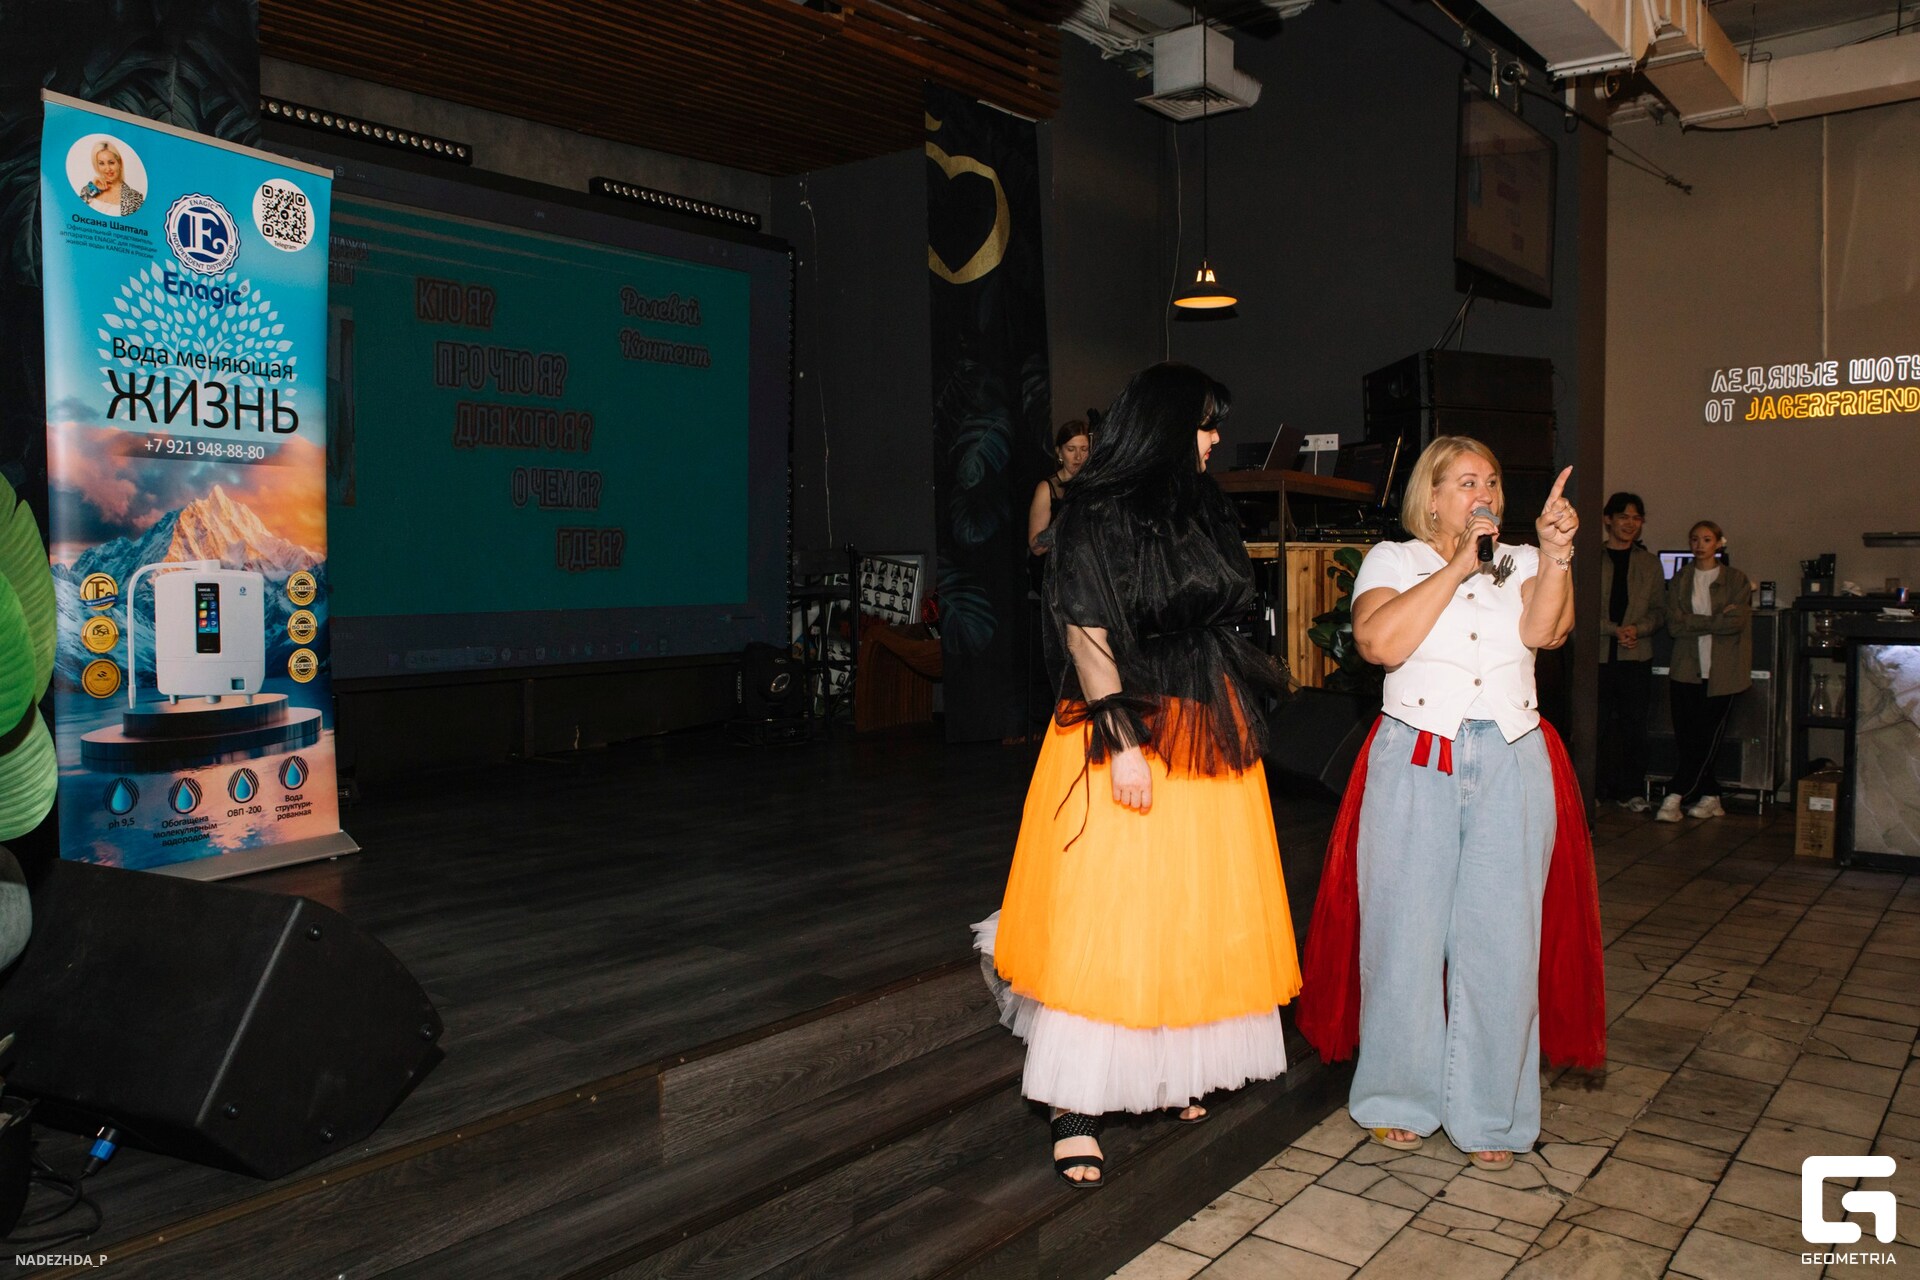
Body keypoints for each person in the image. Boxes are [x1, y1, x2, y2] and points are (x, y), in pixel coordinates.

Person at [973, 363, 1298, 1187]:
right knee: (1108, 912)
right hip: (1129, 724)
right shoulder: (1094, 510)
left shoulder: (1206, 503)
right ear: (1166, 425)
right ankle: (1075, 1105)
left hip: (1206, 724)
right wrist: (1122, 742)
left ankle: (1167, 1073)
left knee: (1189, 908)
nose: (1215, 438)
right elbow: (1086, 632)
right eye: (1205, 423)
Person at [1298, 436, 1599, 1171]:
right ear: (1431, 498)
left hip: (1510, 756)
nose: (1483, 492)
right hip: (1415, 756)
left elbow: (1547, 631)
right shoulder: (1393, 560)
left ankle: (1491, 1113)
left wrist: (1558, 554)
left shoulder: (1522, 560)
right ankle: (1399, 1098)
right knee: (1403, 933)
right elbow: (1379, 643)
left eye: (1491, 480)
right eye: (1466, 482)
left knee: (1503, 942)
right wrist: (1459, 564)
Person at [1655, 520, 1752, 822]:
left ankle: (1675, 793)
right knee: (1688, 736)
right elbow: (1674, 625)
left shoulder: (1735, 579)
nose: (1700, 545)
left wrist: (1693, 620)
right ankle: (1711, 796)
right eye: (1694, 539)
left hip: (1722, 673)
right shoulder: (1681, 578)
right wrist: (1714, 620)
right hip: (1686, 668)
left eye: (1707, 539)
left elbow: (1735, 623)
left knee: (1708, 737)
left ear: (1719, 543)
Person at [1596, 493, 1664, 810]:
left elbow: (1659, 610)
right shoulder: (1591, 558)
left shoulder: (1649, 563)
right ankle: (1593, 790)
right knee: (1596, 725)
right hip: (1598, 655)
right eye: (1623, 517)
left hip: (1636, 655)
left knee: (1634, 726)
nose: (1630, 524)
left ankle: (1631, 791)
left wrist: (1638, 629)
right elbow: (1577, 607)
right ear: (1608, 519)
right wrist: (1613, 629)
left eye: (1636, 518)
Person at [1026, 417, 1094, 584]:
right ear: (1059, 452)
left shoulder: (1094, 487)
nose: (1078, 456)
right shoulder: (1047, 488)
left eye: (1084, 449)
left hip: (1088, 578)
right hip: (1055, 578)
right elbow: (1036, 547)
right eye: (1071, 449)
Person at [78, 140, 143, 217]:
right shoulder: (88, 190)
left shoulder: (135, 198)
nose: (108, 168)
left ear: (119, 163)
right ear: (97, 166)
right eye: (101, 163)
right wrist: (92, 188)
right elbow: (75, 212)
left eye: (111, 163)